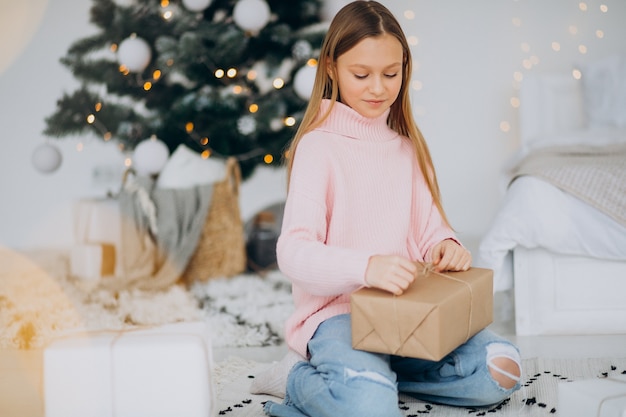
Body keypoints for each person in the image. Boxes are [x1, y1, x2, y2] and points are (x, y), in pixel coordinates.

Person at [251, 1, 522, 416]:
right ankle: (297, 377)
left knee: (502, 369)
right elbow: (292, 252)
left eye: (390, 74)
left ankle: (371, 378)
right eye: (361, 75)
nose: (378, 88)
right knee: (370, 409)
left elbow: (430, 229)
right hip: (340, 316)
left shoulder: (406, 149)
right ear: (330, 68)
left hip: (407, 313)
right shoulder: (318, 147)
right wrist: (367, 267)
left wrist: (447, 245)